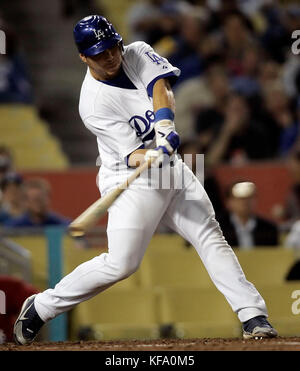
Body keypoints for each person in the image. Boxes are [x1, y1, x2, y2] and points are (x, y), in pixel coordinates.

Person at [13, 15, 277, 345]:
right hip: (131, 178)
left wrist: (165, 129)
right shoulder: (92, 103)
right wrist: (152, 155)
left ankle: (253, 315)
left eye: (112, 47)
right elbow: (133, 155)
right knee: (121, 264)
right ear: (83, 57)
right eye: (99, 53)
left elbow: (160, 87)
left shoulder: (136, 51)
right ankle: (42, 306)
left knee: (210, 234)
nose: (110, 57)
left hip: (171, 168)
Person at [217, 181, 279, 248]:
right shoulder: (218, 229)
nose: (245, 202)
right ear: (228, 202)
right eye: (240, 198)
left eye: (249, 197)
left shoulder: (269, 229)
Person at [5, 178, 70, 228]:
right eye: (34, 200)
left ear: (48, 199)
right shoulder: (13, 227)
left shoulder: (61, 224)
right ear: (26, 202)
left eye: (41, 199)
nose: (38, 204)